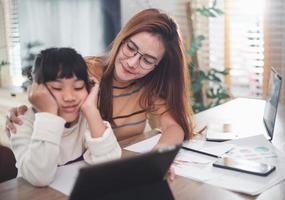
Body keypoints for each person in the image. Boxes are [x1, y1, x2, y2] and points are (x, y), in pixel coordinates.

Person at [5, 8, 193, 149]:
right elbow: (43, 107)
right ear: (122, 38)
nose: (133, 63)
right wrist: (28, 115)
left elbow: (173, 127)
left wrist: (158, 157)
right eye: (131, 48)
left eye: (148, 60)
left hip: (113, 165)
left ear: (158, 66)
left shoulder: (149, 85)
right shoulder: (84, 72)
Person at [9, 48, 121, 186]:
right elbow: (39, 178)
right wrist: (48, 113)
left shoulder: (84, 117)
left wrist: (91, 109)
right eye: (57, 88)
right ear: (36, 91)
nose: (69, 97)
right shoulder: (21, 122)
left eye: (79, 87)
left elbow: (111, 163)